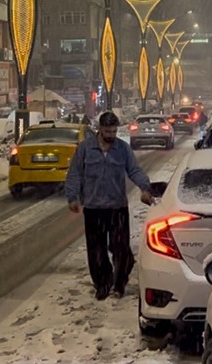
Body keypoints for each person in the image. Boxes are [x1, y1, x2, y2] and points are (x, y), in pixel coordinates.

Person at [64, 111, 154, 300]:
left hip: (117, 207)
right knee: (96, 250)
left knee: (120, 247)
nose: (111, 135)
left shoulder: (122, 149)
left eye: (114, 131)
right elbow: (75, 174)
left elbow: (134, 170)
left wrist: (145, 188)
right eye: (108, 131)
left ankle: (119, 283)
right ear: (100, 129)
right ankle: (102, 284)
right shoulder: (85, 149)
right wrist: (72, 197)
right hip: (94, 208)